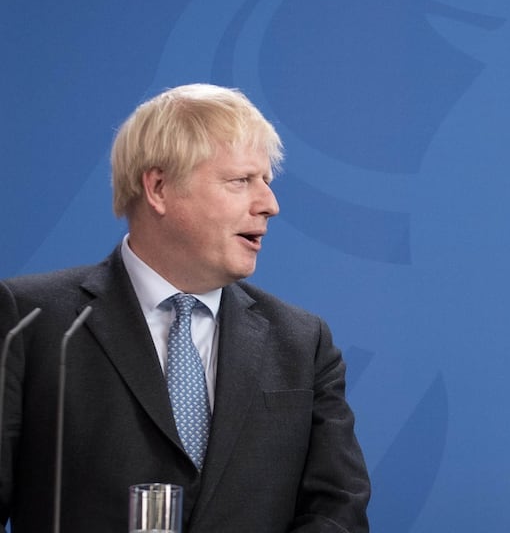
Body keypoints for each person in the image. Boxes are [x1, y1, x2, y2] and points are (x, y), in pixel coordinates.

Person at [0, 84, 371, 532]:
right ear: (158, 188)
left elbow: (338, 511)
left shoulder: (303, 342)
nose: (269, 205)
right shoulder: (30, 321)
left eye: (266, 182)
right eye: (240, 181)